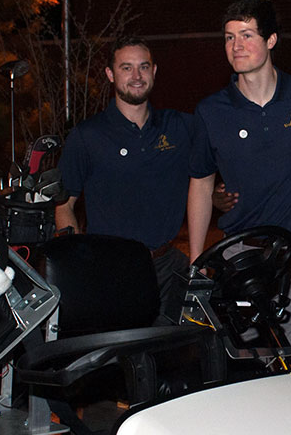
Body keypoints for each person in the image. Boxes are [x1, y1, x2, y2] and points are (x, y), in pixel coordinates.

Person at [187, 0, 291, 364]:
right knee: (250, 360)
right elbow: (200, 184)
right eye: (228, 38)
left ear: (272, 39)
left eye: (246, 35)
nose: (236, 46)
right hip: (241, 254)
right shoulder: (212, 110)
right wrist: (195, 263)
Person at [55, 37, 194, 319]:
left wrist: (218, 195)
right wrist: (81, 265)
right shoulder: (87, 136)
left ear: (154, 71)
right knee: (123, 359)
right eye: (126, 68)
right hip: (111, 270)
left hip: (167, 265)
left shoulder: (179, 127)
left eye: (143, 67)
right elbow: (63, 205)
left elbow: (202, 176)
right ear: (110, 74)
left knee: (179, 355)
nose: (136, 76)